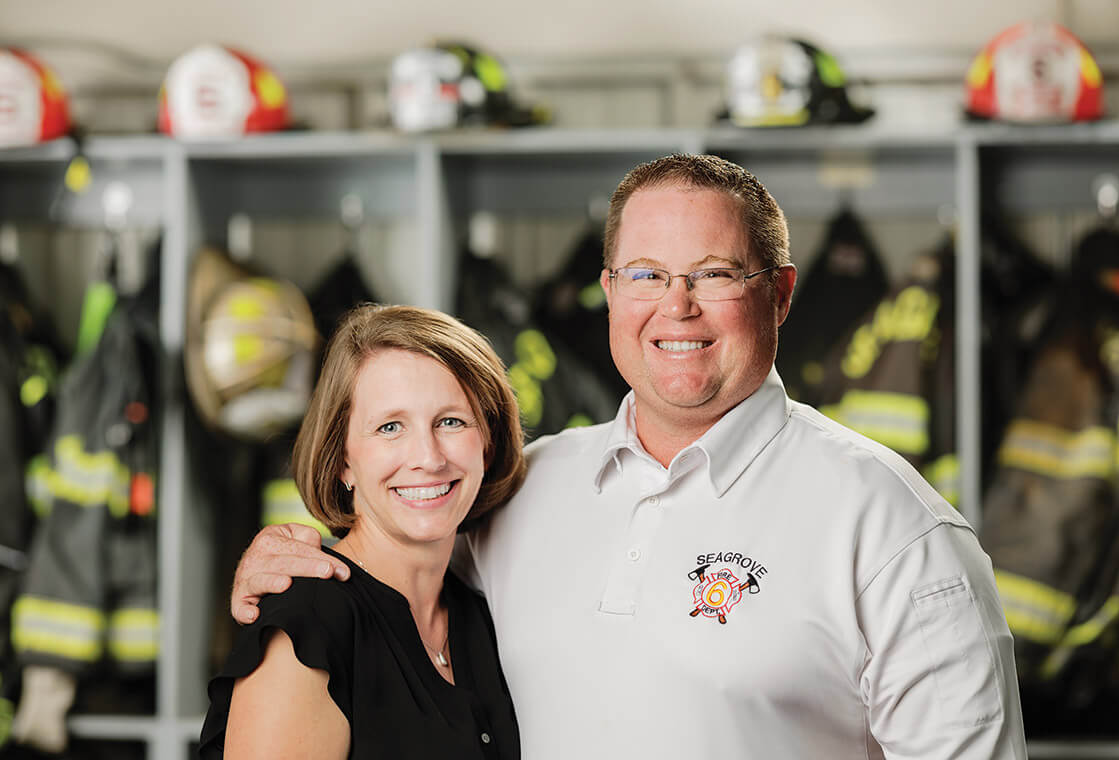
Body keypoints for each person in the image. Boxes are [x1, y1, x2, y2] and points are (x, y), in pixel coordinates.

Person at [230, 154, 1028, 758]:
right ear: (610, 291)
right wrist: (285, 556)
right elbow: (384, 584)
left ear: (781, 294)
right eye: (646, 274)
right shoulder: (520, 491)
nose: (674, 306)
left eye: (714, 274)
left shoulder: (893, 529)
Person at [200, 304, 526, 759]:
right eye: (390, 427)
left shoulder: (482, 617)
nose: (428, 458)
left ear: (487, 444)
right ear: (343, 462)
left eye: (451, 421)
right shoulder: (308, 627)